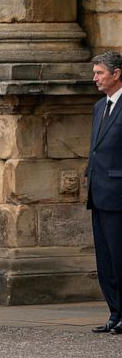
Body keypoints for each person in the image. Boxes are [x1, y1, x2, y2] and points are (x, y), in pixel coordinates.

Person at [88, 51, 122, 335]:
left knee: (120, 257)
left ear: (116, 74)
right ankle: (115, 313)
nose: (95, 78)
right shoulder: (100, 106)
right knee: (106, 260)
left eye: (100, 73)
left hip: (118, 194)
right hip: (98, 194)